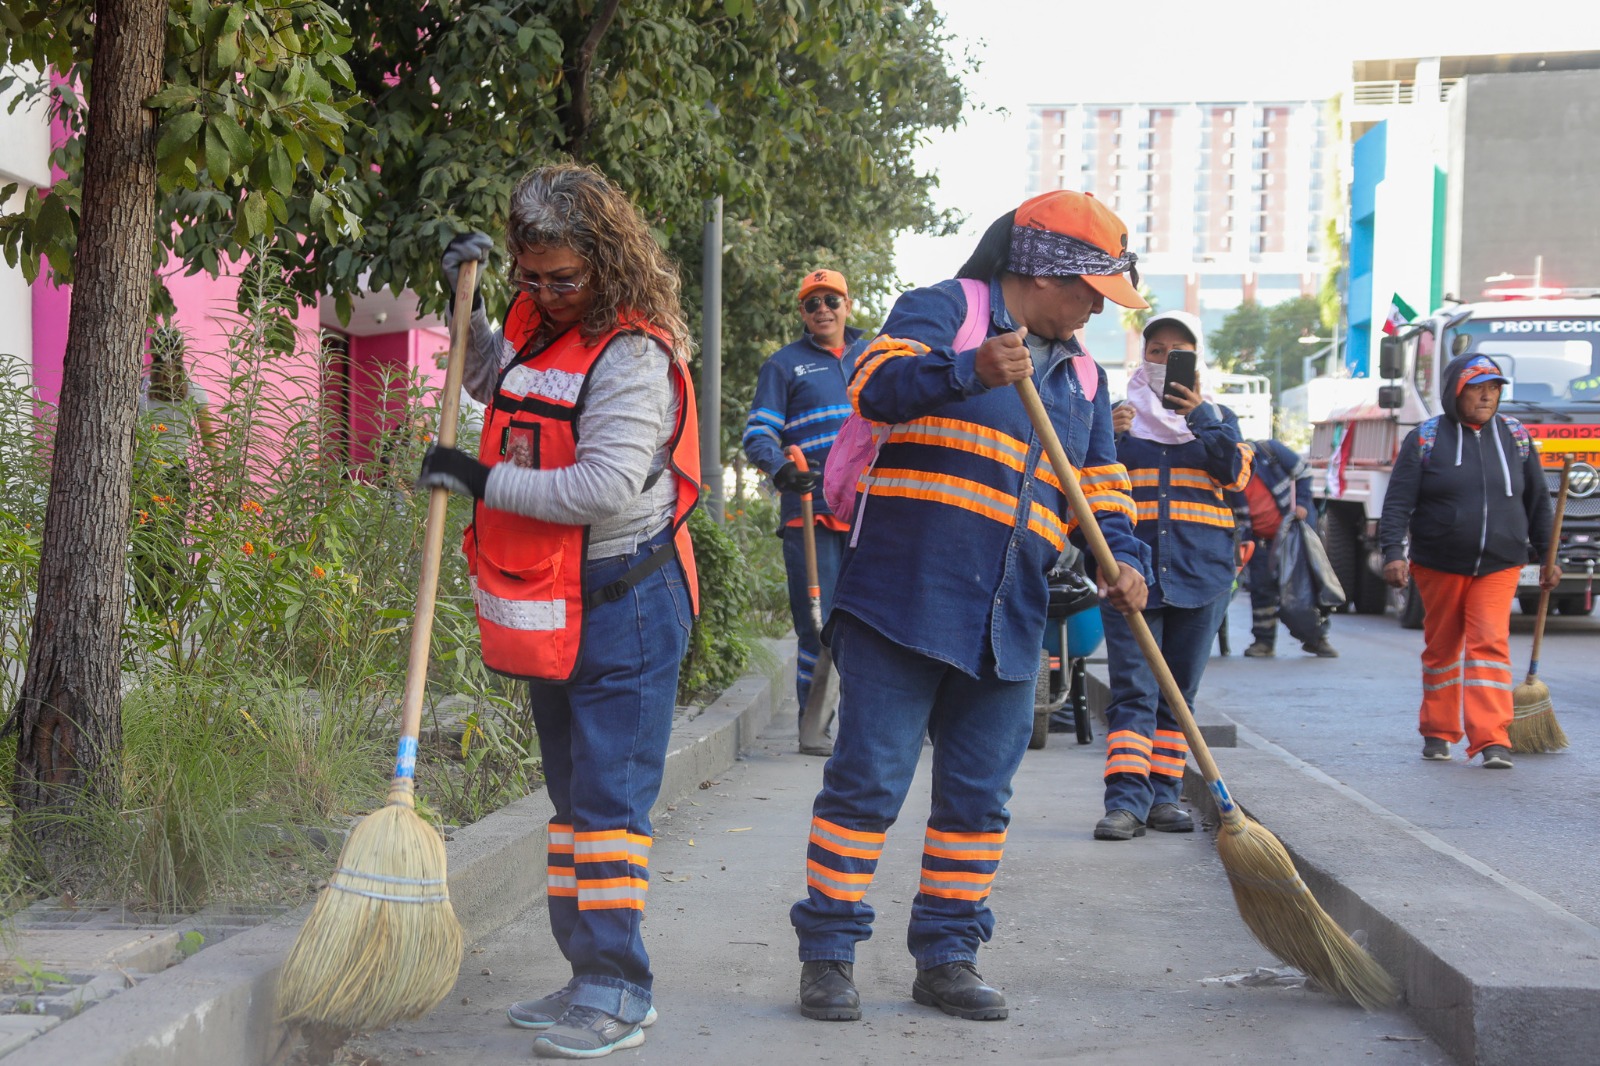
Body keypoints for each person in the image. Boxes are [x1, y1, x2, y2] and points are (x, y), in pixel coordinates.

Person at [789, 190, 1150, 1024]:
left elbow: (1101, 488)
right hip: (900, 600)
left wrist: (1123, 561)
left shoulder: (1085, 374)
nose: (1098, 306)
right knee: (866, 786)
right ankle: (830, 953)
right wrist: (970, 370)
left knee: (977, 802)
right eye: (1090, 288)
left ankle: (949, 955)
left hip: (1010, 617)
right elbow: (872, 384)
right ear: (1040, 269)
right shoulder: (947, 310)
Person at [420, 163, 701, 1060]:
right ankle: (587, 974)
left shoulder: (633, 352)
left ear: (607, 263)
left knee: (611, 805)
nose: (544, 293)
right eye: (529, 276)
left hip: (629, 598)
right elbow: (494, 387)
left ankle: (621, 988)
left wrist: (476, 478)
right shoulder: (537, 330)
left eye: (564, 279)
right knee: (573, 800)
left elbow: (606, 484)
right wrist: (462, 309)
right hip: (561, 599)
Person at [1095, 311, 1251, 840]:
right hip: (1130, 575)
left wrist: (1201, 416)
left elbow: (1235, 472)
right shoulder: (1113, 417)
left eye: (1176, 352)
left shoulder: (1220, 417)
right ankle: (1125, 803)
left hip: (1200, 574)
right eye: (1156, 351)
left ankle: (1163, 797)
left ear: (1194, 359)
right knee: (1133, 690)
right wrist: (1106, 437)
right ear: (1144, 357)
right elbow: (1084, 485)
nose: (1164, 361)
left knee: (1177, 695)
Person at [1378, 353, 1558, 770]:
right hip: (1439, 561)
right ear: (1455, 391)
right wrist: (1392, 553)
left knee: (1489, 644)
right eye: (1477, 387)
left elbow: (1538, 502)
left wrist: (1549, 555)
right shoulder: (1424, 438)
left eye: (1494, 388)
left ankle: (1492, 738)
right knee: (1442, 647)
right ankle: (1438, 730)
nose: (1487, 396)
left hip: (1500, 562)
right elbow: (1398, 503)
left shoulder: (1515, 436)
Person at [741, 269, 865, 738]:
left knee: (871, 622)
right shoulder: (784, 365)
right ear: (803, 313)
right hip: (810, 513)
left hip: (871, 511)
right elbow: (758, 434)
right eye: (812, 303)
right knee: (819, 622)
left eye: (831, 300)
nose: (823, 310)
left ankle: (865, 729)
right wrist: (782, 470)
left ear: (847, 305)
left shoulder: (874, 355)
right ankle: (815, 727)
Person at [130, 326, 217, 610]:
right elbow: (210, 442)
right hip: (176, 477)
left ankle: (146, 608)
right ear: (182, 352)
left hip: (144, 477)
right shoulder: (195, 390)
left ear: (152, 352)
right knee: (169, 541)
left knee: (143, 542)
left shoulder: (140, 388)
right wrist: (221, 479)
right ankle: (165, 610)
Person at [1237, 437, 1339, 658]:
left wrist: (1302, 503)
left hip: (1291, 538)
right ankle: (1263, 642)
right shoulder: (1227, 468)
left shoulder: (1269, 451)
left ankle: (1317, 639)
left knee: (1302, 590)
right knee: (1261, 590)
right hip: (1259, 540)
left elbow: (1304, 472)